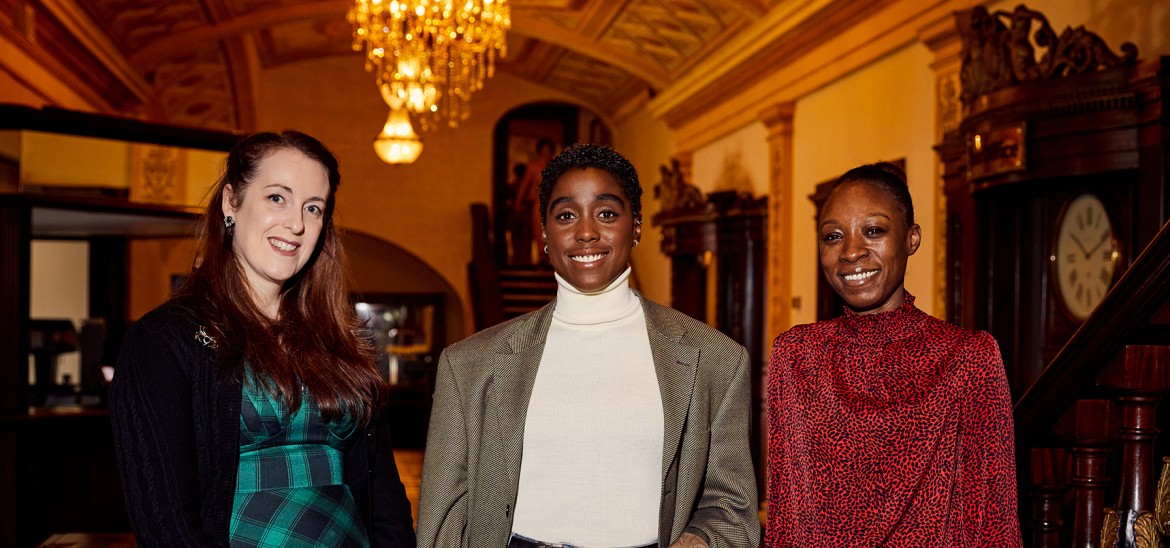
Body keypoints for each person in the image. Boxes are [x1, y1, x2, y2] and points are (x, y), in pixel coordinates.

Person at [417, 143, 759, 548]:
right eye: (565, 215)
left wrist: (695, 543)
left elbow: (733, 509)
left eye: (607, 213)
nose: (586, 232)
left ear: (636, 227)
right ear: (544, 233)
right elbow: (441, 521)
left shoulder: (716, 360)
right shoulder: (469, 364)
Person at [110, 131, 416, 547]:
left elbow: (384, 498)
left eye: (314, 208)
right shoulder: (164, 340)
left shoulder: (338, 338)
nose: (296, 223)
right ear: (230, 202)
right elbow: (166, 524)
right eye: (277, 198)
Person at [765, 162, 1022, 546]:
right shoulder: (797, 357)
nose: (851, 251)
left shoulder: (968, 359)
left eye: (874, 230)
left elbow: (993, 520)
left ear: (911, 239)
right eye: (833, 236)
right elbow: (785, 515)